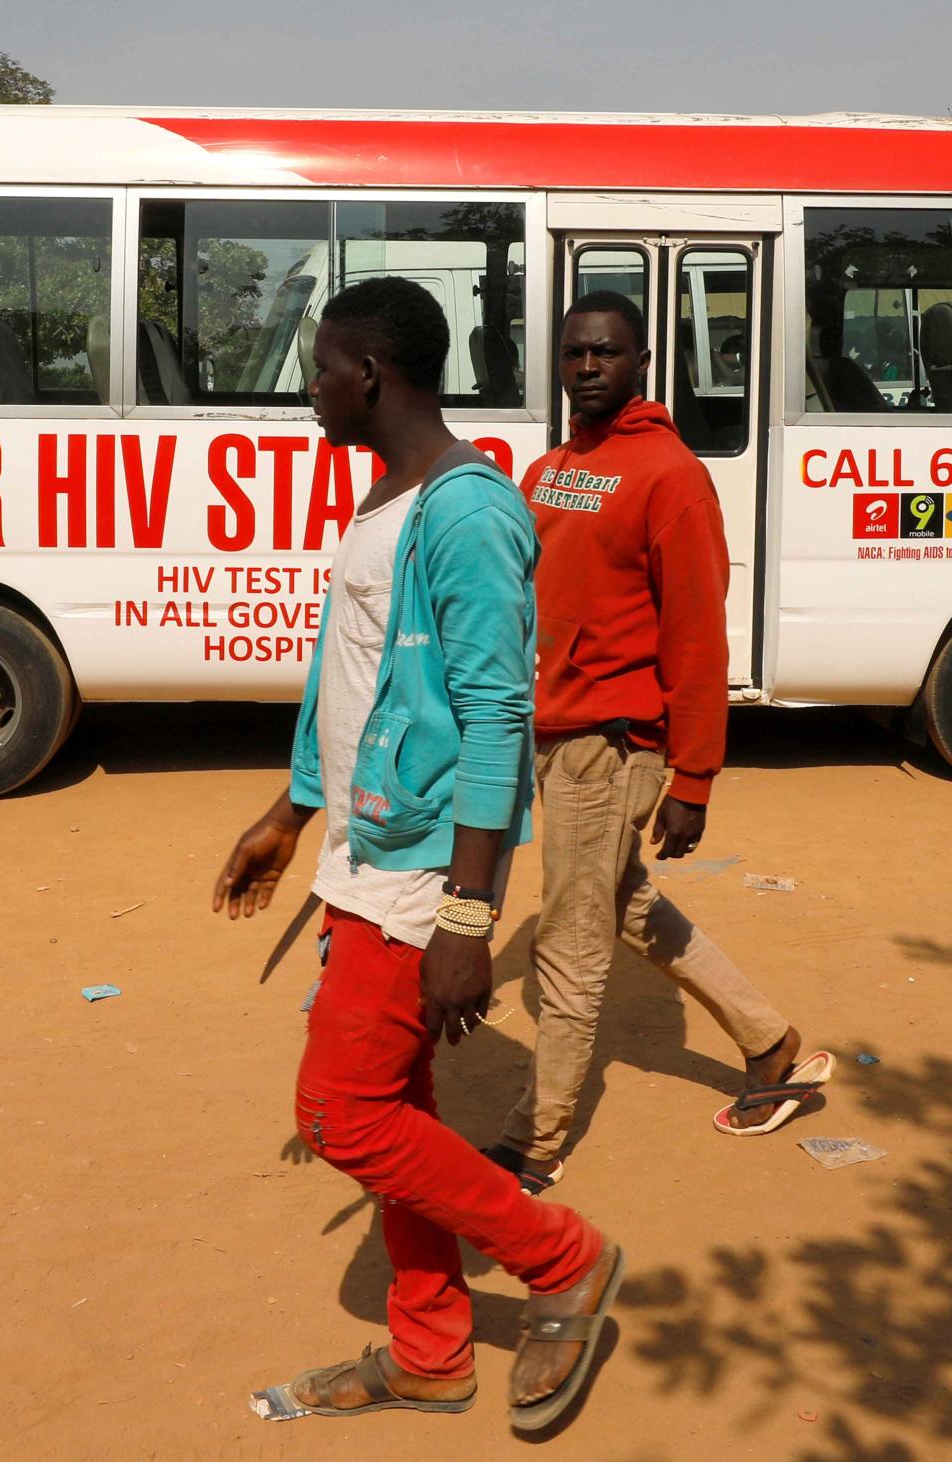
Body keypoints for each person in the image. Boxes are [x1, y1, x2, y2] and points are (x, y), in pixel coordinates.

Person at [212, 277, 624, 1435]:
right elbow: (347, 677)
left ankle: (564, 1259)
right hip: (363, 851)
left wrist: (465, 916)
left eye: (321, 367)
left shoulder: (467, 511)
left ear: (371, 376)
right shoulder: (385, 492)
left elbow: (496, 717)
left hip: (417, 876)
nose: (309, 389)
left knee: (343, 1115)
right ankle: (430, 1352)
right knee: (392, 1101)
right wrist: (291, 813)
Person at [486, 293, 828, 1196]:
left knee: (570, 938)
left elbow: (696, 637)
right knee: (625, 905)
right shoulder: (553, 466)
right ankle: (771, 1043)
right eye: (572, 354)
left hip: (614, 741)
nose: (587, 367)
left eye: (605, 353)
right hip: (557, 734)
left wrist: (694, 777)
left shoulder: (671, 475)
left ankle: (537, 1137)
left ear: (641, 361)